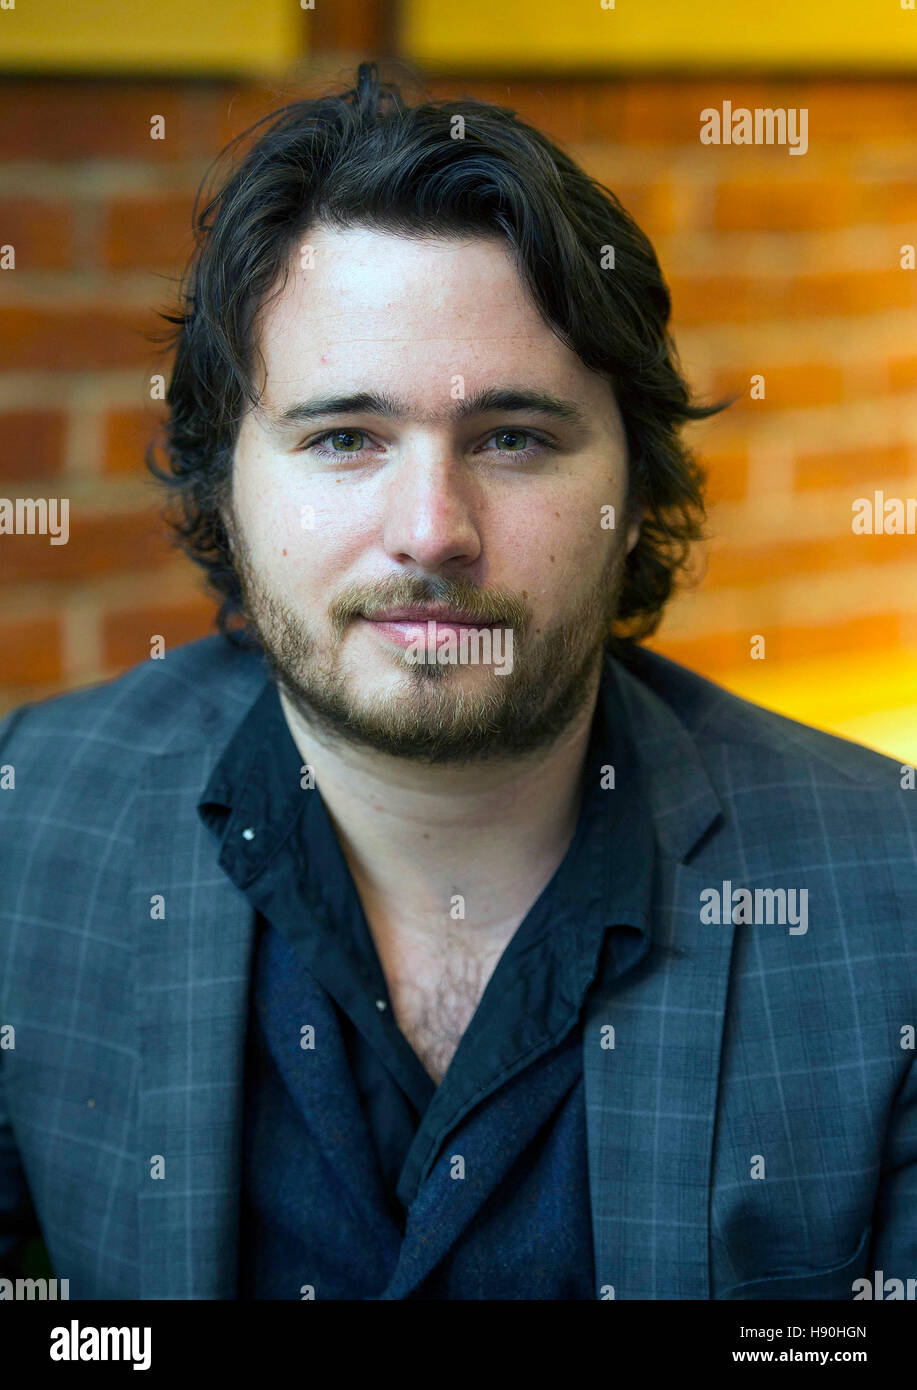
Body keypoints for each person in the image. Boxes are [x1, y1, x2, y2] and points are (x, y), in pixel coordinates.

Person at [0, 62, 914, 1301]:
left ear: (633, 491)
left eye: (511, 438)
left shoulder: (885, 902)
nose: (431, 529)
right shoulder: (27, 829)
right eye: (343, 438)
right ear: (226, 485)